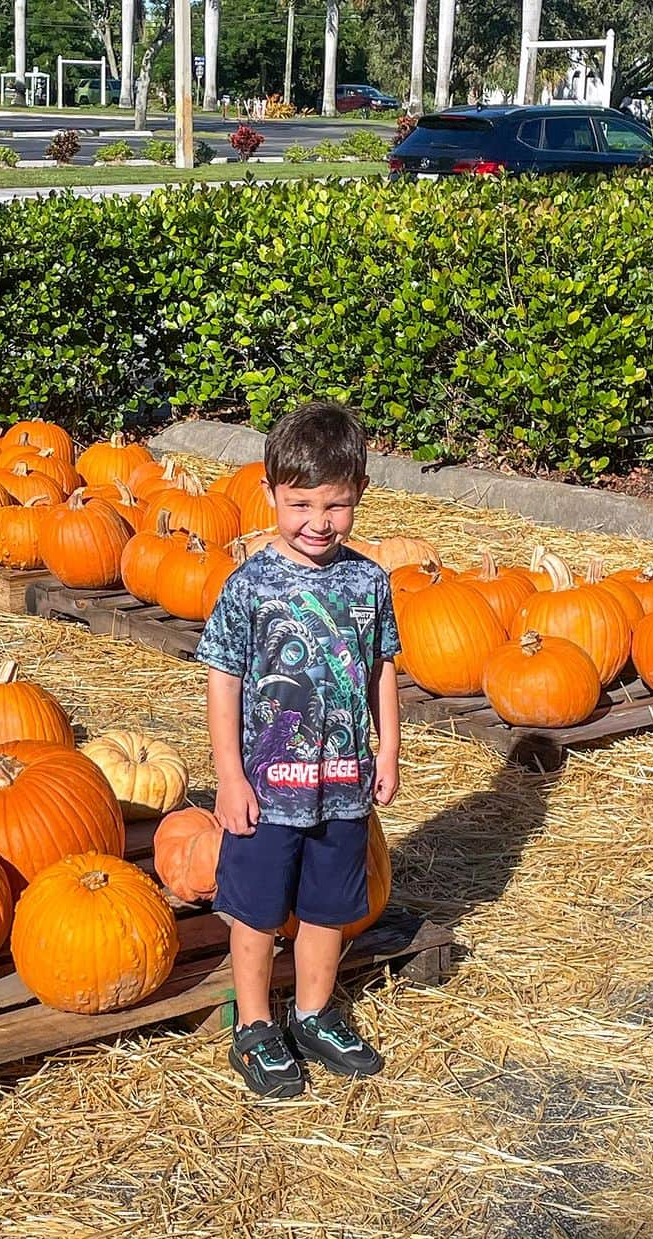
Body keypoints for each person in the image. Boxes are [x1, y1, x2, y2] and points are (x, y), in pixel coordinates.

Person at [195, 403, 401, 1099]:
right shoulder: (248, 586)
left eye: (336, 505)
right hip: (267, 787)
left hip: (342, 784)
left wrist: (389, 750)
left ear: (359, 496)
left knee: (328, 909)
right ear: (270, 494)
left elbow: (381, 670)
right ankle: (254, 1024)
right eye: (302, 502)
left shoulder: (369, 582)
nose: (319, 520)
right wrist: (230, 777)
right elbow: (222, 681)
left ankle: (313, 1013)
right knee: (256, 911)